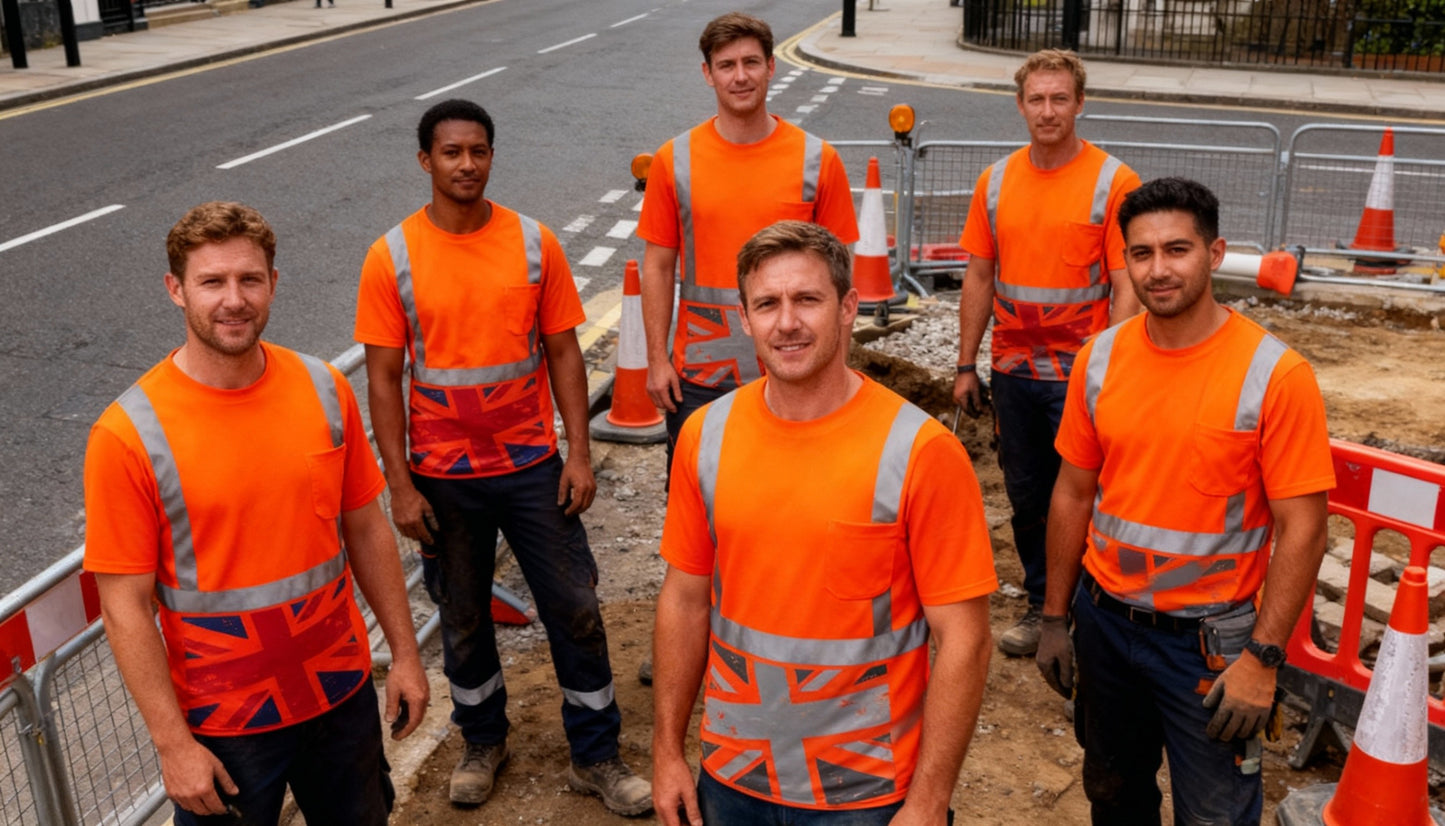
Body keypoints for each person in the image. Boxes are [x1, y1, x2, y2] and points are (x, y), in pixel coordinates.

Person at [84, 201, 430, 825]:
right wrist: (172, 746)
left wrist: (404, 655)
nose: (233, 300)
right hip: (224, 727)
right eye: (211, 282)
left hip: (339, 697)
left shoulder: (324, 388)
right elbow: (124, 607)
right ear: (175, 290)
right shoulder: (128, 434)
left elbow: (367, 529)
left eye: (249, 279)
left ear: (273, 283)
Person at [353, 99, 651, 816]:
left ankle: (596, 754)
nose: (466, 164)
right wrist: (398, 484)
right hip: (442, 476)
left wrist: (578, 453)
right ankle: (482, 741)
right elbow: (385, 379)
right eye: (451, 152)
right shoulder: (391, 256)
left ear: (491, 156)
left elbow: (563, 356)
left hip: (528, 469)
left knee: (574, 606)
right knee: (461, 617)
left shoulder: (532, 243)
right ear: (425, 161)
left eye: (478, 151)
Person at [652, 221, 996, 826]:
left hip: (868, 794)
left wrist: (928, 802)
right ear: (744, 318)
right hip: (733, 778)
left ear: (848, 307)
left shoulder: (919, 450)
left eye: (807, 299)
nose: (787, 322)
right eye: (767, 304)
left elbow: (965, 641)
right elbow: (684, 601)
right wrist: (666, 753)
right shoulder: (706, 436)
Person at [1034, 178, 1334, 824]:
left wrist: (1262, 658)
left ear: (1215, 252)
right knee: (1114, 796)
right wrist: (1056, 616)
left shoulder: (1273, 376)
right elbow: (1072, 492)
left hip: (1209, 648)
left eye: (1177, 249)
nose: (1157, 269)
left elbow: (1303, 527)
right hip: (1107, 626)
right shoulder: (1100, 360)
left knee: (1214, 816)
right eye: (1140, 254)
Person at [953, 49, 1141, 657]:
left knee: (1085, 495)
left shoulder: (1114, 183)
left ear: (1080, 104)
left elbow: (1125, 286)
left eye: (1060, 98)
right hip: (1014, 373)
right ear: (1020, 105)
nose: (1048, 110)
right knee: (1028, 495)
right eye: (1037, 99)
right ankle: (1042, 605)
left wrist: (1110, 373)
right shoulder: (997, 181)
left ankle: (1087, 616)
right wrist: (965, 364)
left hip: (1081, 379)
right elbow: (980, 278)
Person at [638, 11, 859, 475]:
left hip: (796, 363)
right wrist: (656, 360)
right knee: (702, 506)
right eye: (726, 65)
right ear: (708, 73)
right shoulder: (673, 161)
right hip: (701, 373)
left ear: (771, 67)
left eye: (751, 63)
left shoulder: (817, 160)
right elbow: (657, 266)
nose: (740, 76)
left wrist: (837, 368)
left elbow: (842, 278)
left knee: (793, 499)